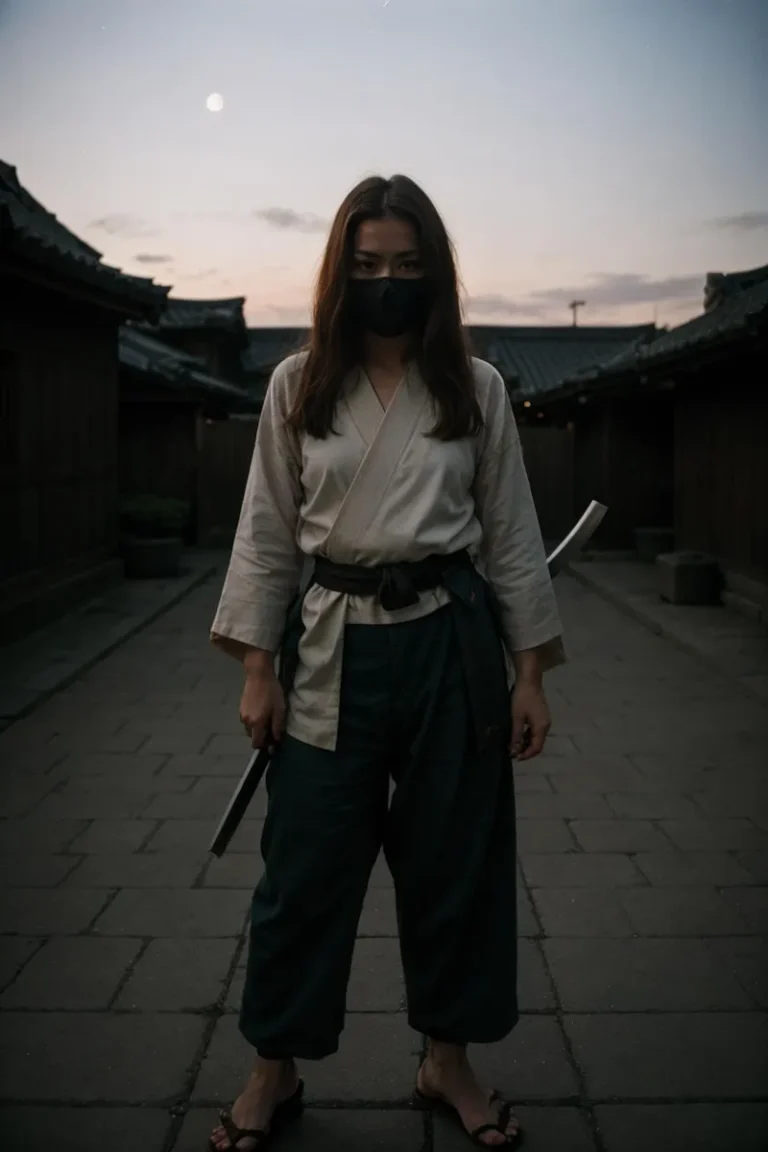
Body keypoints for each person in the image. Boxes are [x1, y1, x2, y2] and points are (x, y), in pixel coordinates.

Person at [208, 173, 564, 1150]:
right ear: (340, 272)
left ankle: (445, 1061)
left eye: (407, 265)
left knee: (458, 861)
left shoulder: (475, 388)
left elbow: (514, 535)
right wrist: (255, 669)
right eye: (368, 266)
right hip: (327, 648)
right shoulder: (298, 384)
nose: (388, 282)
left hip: (450, 640)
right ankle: (273, 1069)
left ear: (437, 273)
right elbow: (266, 533)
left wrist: (529, 670)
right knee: (306, 863)